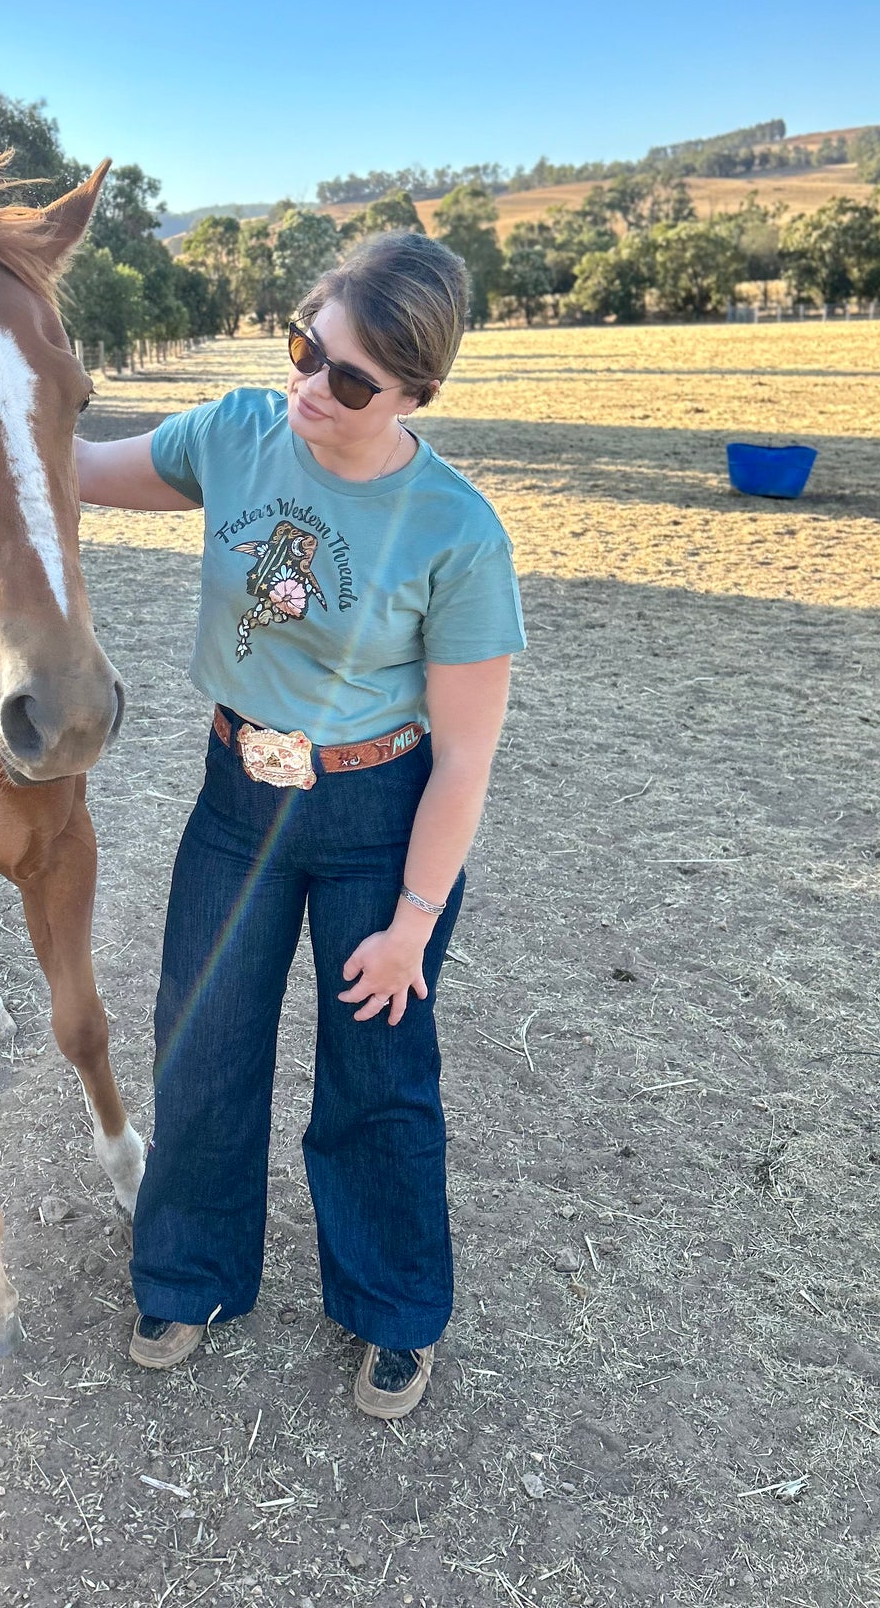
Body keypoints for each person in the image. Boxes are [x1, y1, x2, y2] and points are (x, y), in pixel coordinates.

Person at [75, 231, 525, 1419]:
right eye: (303, 350)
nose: (310, 390)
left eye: (350, 381)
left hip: (381, 815)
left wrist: (414, 921)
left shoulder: (456, 531)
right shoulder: (230, 435)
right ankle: (188, 1277)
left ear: (418, 390)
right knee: (202, 1040)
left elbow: (466, 754)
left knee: (375, 1072)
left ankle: (391, 1310)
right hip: (237, 797)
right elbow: (72, 467)